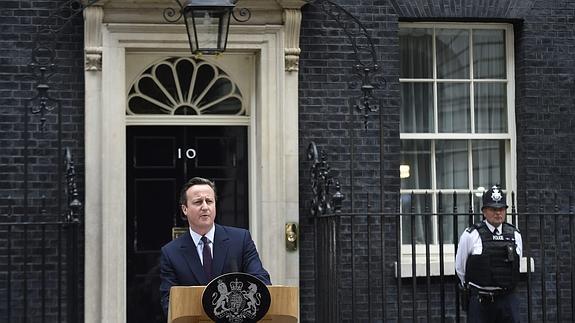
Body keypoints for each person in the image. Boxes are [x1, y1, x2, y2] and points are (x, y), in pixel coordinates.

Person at [159, 177, 271, 316]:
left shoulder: (241, 240)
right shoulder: (171, 253)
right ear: (185, 209)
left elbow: (261, 281)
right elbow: (169, 302)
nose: (205, 207)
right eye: (198, 202)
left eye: (209, 201)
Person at [455, 184, 523, 323]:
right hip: (481, 303)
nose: (498, 213)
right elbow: (461, 269)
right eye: (493, 209)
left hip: (507, 301)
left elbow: (517, 263)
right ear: (484, 212)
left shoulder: (515, 234)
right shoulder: (471, 235)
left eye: (501, 209)